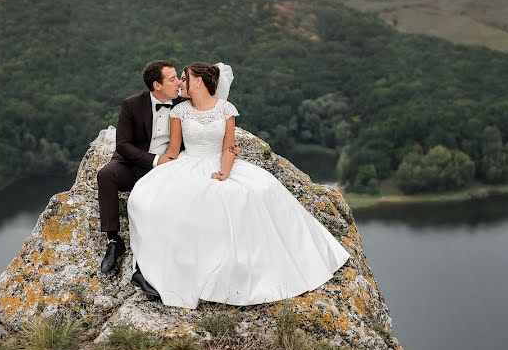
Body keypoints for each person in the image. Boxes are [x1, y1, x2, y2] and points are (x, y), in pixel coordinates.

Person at [126, 62, 351, 309]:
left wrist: (224, 171)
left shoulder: (226, 109)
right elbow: (172, 150)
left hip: (219, 161)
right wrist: (157, 172)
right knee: (159, 200)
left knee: (255, 191)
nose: (180, 82)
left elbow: (228, 147)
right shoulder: (179, 112)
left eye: (184, 77)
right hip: (188, 163)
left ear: (198, 81)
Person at [96, 60, 183, 292]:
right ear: (156, 85)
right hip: (135, 164)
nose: (179, 82)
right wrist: (154, 160)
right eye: (173, 78)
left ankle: (149, 266)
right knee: (106, 175)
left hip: (167, 170)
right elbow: (122, 145)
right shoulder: (132, 105)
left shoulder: (183, 104)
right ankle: (114, 240)